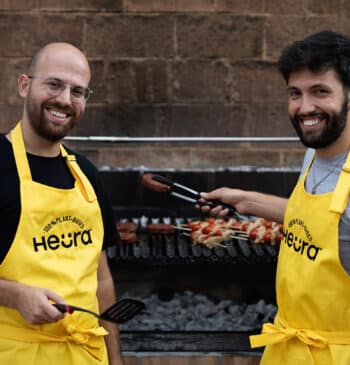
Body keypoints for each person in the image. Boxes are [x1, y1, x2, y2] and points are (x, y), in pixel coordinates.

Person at [199, 30, 350, 364]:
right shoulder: (315, 154)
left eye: (320, 91)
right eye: (295, 93)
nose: (304, 107)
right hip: (288, 348)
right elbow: (319, 221)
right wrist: (246, 200)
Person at [0, 42, 124, 365]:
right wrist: (15, 296)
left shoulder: (86, 174)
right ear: (24, 85)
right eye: (54, 84)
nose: (65, 100)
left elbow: (102, 280)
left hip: (85, 355)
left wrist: (115, 360)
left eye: (78, 91)